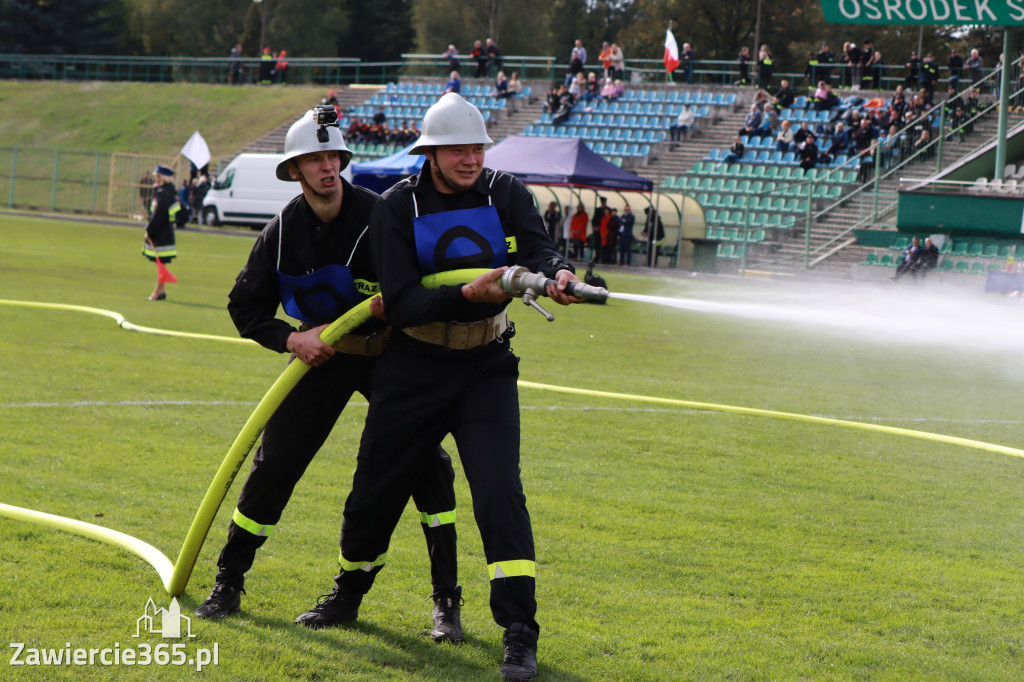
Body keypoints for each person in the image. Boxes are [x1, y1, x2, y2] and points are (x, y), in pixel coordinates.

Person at [295, 93, 583, 682]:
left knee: (500, 491)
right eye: (457, 149)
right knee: (374, 488)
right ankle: (349, 592)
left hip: (486, 367)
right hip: (414, 366)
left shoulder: (507, 192)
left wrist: (555, 272)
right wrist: (465, 295)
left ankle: (519, 632)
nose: (471, 158)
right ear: (431, 153)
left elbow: (537, 246)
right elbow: (401, 303)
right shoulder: (398, 208)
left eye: (477, 147)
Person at [195, 110, 465, 645]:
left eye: (333, 158)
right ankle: (228, 581)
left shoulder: (379, 215)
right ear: (295, 169)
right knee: (275, 465)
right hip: (321, 357)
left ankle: (446, 604)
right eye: (313, 161)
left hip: (390, 355)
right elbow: (245, 307)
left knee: (427, 466)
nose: (326, 168)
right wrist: (294, 339)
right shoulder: (281, 233)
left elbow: (425, 282)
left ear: (343, 162)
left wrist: (401, 304)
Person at [142, 164, 180, 301]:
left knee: (161, 263)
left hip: (161, 232)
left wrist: (149, 230)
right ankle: (160, 291)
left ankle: (158, 291)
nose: (155, 179)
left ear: (163, 178)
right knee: (160, 264)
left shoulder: (164, 194)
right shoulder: (164, 192)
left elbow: (158, 215)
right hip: (163, 231)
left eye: (157, 176)